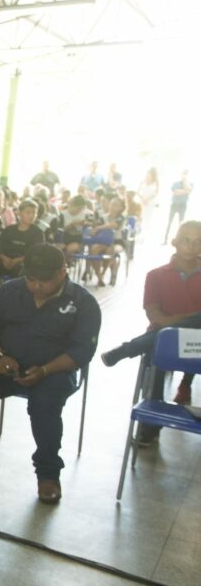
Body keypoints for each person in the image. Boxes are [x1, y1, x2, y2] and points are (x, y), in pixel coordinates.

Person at [0, 244, 101, 504]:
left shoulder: (84, 303)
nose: (37, 286)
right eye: (31, 279)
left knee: (44, 405)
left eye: (44, 280)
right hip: (7, 363)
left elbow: (82, 352)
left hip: (55, 370)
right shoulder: (11, 291)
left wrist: (45, 370)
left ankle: (48, 474)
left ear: (63, 271)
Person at [101, 221, 201, 439]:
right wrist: (179, 322)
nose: (191, 247)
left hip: (198, 343)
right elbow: (155, 316)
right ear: (174, 242)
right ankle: (151, 424)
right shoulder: (156, 275)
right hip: (162, 339)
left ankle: (129, 349)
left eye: (197, 242)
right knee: (159, 346)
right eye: (186, 240)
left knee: (191, 329)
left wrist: (177, 322)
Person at [0, 200, 45, 277]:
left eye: (34, 213)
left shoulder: (38, 233)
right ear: (19, 213)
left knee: (21, 268)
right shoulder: (8, 230)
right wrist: (4, 258)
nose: (31, 216)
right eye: (28, 212)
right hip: (5, 261)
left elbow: (36, 253)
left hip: (24, 264)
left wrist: (16, 261)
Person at [166, 170, 192, 244]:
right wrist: (184, 191)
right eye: (183, 174)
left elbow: (189, 190)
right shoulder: (176, 183)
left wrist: (185, 185)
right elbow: (175, 192)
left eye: (186, 174)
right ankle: (165, 238)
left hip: (182, 205)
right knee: (169, 222)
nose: (184, 176)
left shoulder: (190, 184)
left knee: (180, 223)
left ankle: (179, 240)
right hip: (174, 204)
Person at [137, 167, 159, 235]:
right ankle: (138, 231)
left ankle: (144, 233)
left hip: (150, 202)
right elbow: (138, 191)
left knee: (147, 218)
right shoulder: (142, 181)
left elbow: (156, 193)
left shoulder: (156, 182)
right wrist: (142, 198)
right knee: (140, 216)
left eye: (150, 175)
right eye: (147, 174)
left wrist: (148, 199)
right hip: (141, 201)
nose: (148, 176)